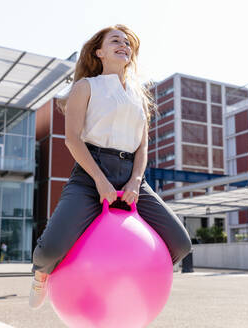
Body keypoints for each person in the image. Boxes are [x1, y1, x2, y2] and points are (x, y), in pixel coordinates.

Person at [29, 24, 192, 309]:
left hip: (133, 177)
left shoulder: (139, 95)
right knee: (50, 250)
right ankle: (40, 275)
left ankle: (137, 279)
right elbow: (72, 141)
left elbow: (143, 146)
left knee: (181, 244)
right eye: (115, 40)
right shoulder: (85, 87)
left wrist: (135, 181)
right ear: (99, 52)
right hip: (91, 172)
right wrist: (101, 181)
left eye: (127, 43)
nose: (123, 45)